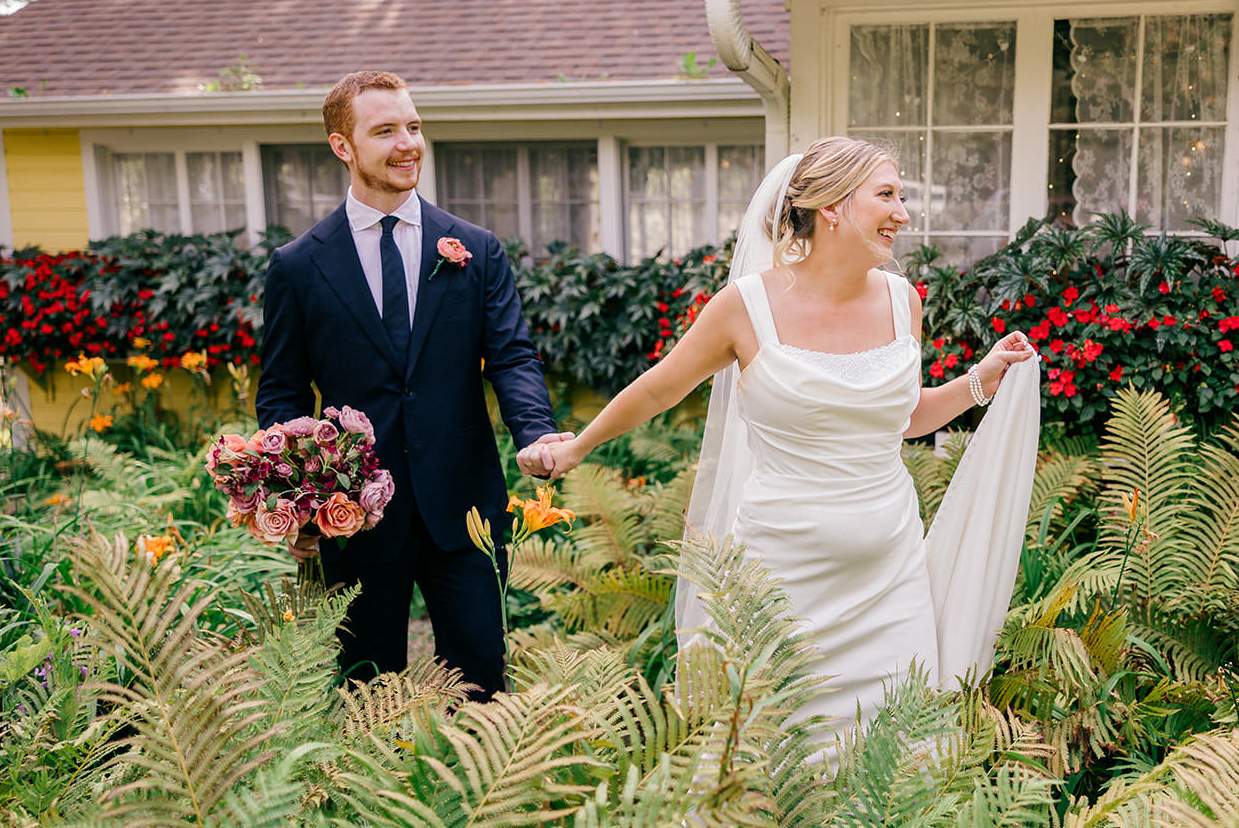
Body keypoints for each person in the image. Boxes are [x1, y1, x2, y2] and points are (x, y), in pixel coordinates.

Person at [522, 137, 1039, 733]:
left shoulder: (904, 301)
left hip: (891, 579)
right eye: (887, 195)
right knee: (768, 759)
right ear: (833, 208)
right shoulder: (746, 306)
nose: (903, 212)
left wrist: (982, 379)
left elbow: (897, 419)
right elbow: (661, 388)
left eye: (903, 196)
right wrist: (577, 445)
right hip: (782, 579)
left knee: (894, 767)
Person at [256, 69, 571, 699]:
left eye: (414, 126)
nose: (409, 143)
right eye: (386, 131)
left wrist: (534, 433)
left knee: (481, 684)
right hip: (356, 517)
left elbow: (511, 357)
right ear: (342, 147)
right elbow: (282, 396)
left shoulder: (476, 251)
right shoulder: (298, 265)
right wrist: (296, 500)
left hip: (465, 506)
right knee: (365, 692)